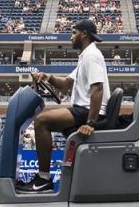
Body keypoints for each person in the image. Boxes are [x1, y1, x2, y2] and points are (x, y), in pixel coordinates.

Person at [19, 19, 109, 193]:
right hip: (82, 110)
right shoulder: (85, 56)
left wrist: (91, 123)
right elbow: (66, 84)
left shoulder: (92, 56)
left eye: (74, 33)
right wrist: (48, 77)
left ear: (84, 34)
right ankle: (44, 178)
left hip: (87, 112)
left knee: (41, 121)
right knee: (44, 119)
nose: (71, 37)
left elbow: (97, 89)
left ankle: (43, 179)